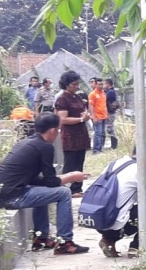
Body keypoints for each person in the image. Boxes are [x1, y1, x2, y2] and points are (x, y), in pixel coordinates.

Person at [0, 113, 89, 254]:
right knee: (64, 193)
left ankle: (41, 238)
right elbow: (52, 182)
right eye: (58, 130)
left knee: (43, 190)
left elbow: (39, 181)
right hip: (12, 197)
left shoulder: (27, 143)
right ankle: (65, 242)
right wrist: (72, 176)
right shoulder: (45, 147)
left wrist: (65, 177)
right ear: (53, 130)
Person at [97, 142, 146, 258]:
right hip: (117, 224)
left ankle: (108, 240)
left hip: (100, 221)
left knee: (122, 208)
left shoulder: (113, 164)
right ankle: (137, 247)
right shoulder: (140, 169)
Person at [55, 70, 91, 198]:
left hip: (81, 133)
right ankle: (67, 189)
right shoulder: (62, 99)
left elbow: (82, 110)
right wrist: (81, 119)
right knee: (70, 162)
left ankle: (77, 188)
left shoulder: (77, 97)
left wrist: (85, 115)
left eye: (77, 84)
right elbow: (63, 119)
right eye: (74, 84)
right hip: (70, 135)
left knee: (79, 161)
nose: (77, 87)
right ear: (66, 84)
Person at [88, 78, 107, 154]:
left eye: (102, 84)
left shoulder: (103, 93)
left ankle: (101, 147)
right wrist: (94, 117)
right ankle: (96, 149)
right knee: (98, 133)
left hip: (104, 116)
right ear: (95, 84)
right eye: (99, 84)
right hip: (97, 117)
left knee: (103, 133)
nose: (101, 86)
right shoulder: (92, 94)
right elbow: (91, 106)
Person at [104, 79, 119, 149]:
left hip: (110, 112)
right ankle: (114, 144)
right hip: (110, 112)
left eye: (105, 84)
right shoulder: (110, 91)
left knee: (110, 128)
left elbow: (104, 98)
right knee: (109, 128)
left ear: (108, 84)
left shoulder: (110, 92)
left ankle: (114, 144)